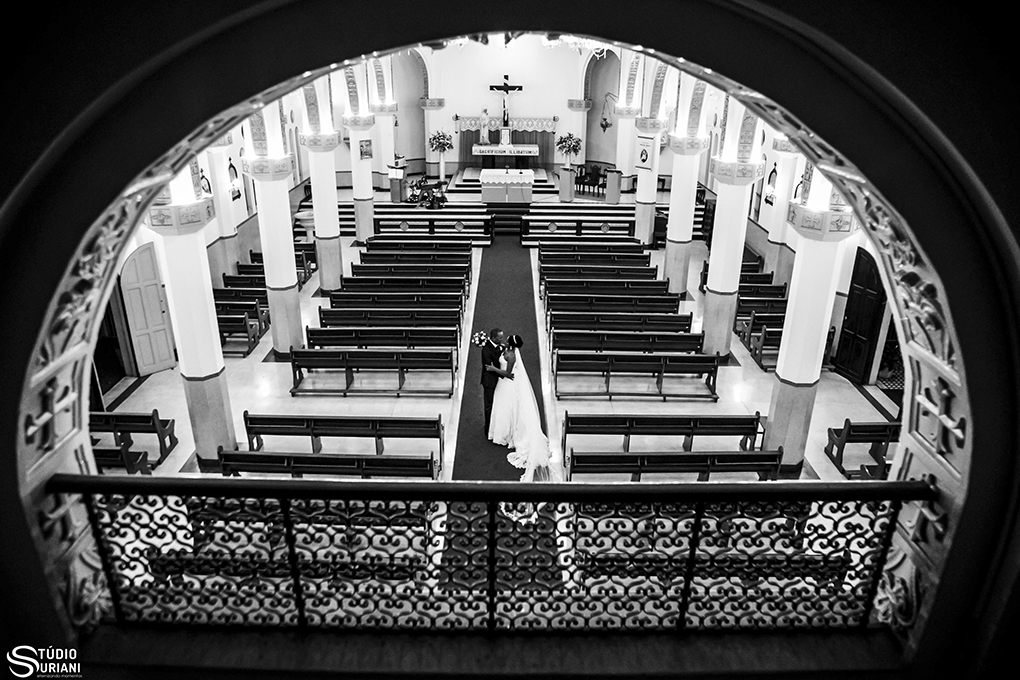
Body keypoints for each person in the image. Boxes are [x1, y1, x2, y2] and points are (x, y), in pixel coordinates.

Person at [488, 334, 563, 483]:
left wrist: (493, 368)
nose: (505, 341)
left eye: (507, 339)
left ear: (511, 344)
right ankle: (504, 430)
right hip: (503, 384)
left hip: (508, 384)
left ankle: (507, 432)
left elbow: (508, 374)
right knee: (503, 407)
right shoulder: (507, 351)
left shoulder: (512, 356)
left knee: (506, 407)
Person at [480, 327, 512, 435]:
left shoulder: (500, 347)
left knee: (499, 404)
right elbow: (489, 367)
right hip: (490, 381)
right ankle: (488, 428)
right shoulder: (486, 350)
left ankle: (497, 426)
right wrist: (504, 373)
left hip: (500, 380)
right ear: (493, 338)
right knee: (489, 405)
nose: (502, 339)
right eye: (500, 338)